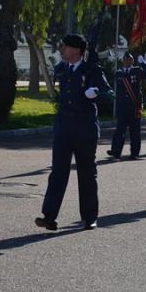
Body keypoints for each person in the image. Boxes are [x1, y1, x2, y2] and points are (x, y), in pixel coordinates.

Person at [35, 34, 112, 231]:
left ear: (76, 51)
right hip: (64, 128)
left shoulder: (93, 70)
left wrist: (95, 92)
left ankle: (90, 217)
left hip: (85, 129)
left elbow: (109, 94)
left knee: (86, 173)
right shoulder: (62, 69)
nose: (62, 49)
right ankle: (49, 216)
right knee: (58, 172)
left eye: (66, 47)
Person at [107, 51, 146, 160]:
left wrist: (143, 63)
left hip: (134, 106)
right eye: (126, 59)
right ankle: (116, 152)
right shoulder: (118, 73)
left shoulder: (137, 70)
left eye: (130, 59)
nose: (128, 61)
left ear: (132, 61)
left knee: (135, 131)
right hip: (122, 108)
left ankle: (134, 153)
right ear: (123, 61)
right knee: (119, 130)